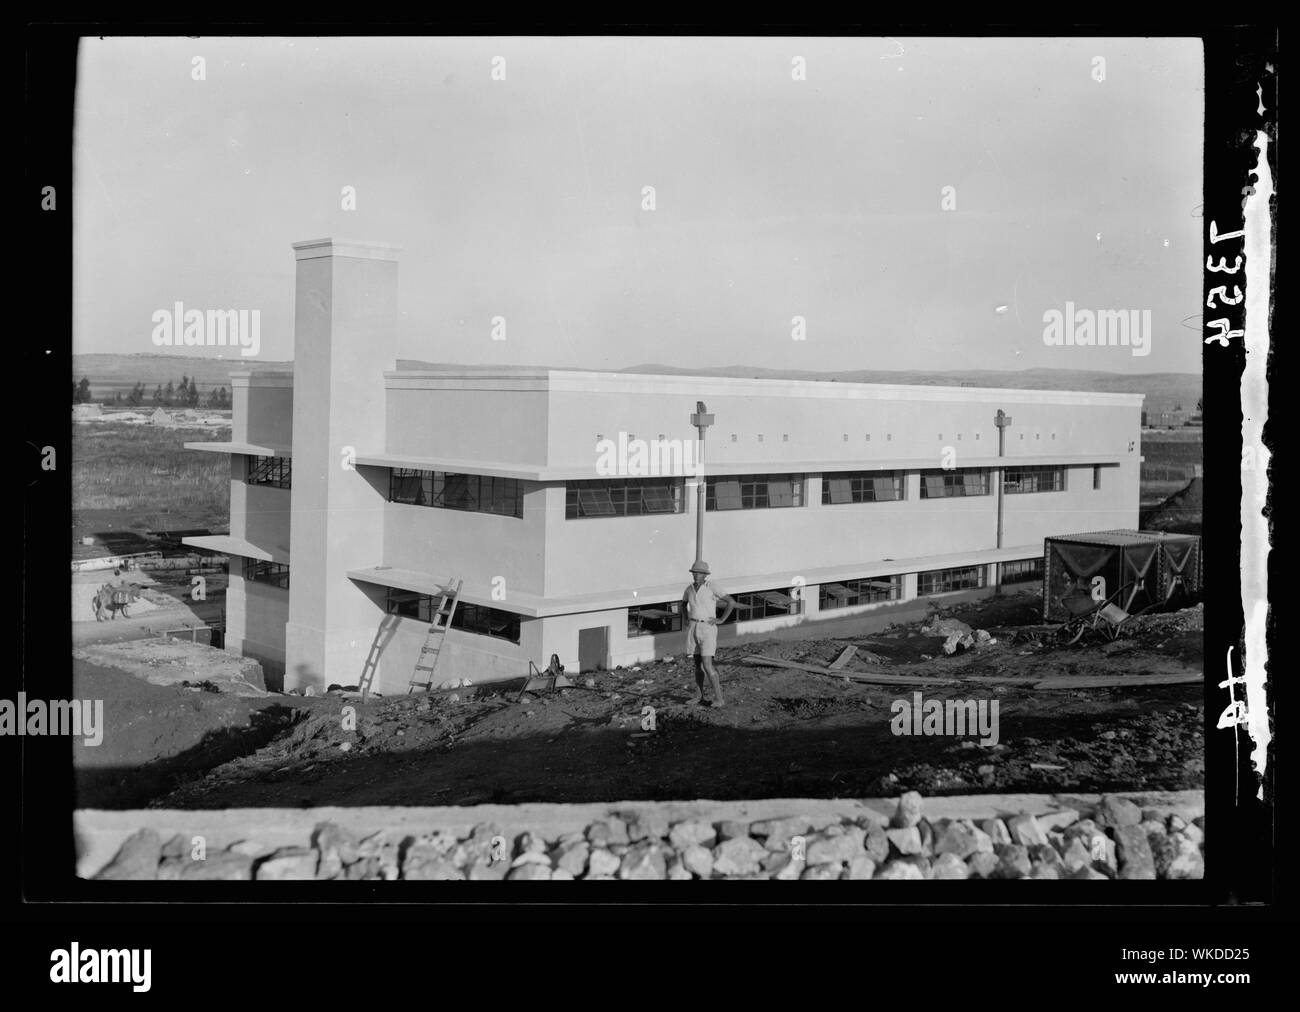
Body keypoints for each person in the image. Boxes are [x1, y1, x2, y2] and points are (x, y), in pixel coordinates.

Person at [682, 560, 734, 707]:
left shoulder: (712, 586)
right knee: (697, 664)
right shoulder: (689, 589)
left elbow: (731, 601)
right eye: (694, 573)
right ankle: (699, 696)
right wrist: (686, 619)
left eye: (698, 573)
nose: (695, 575)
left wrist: (722, 619)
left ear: (705, 575)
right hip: (693, 627)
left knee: (707, 664)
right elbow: (682, 604)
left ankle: (719, 698)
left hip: (708, 628)